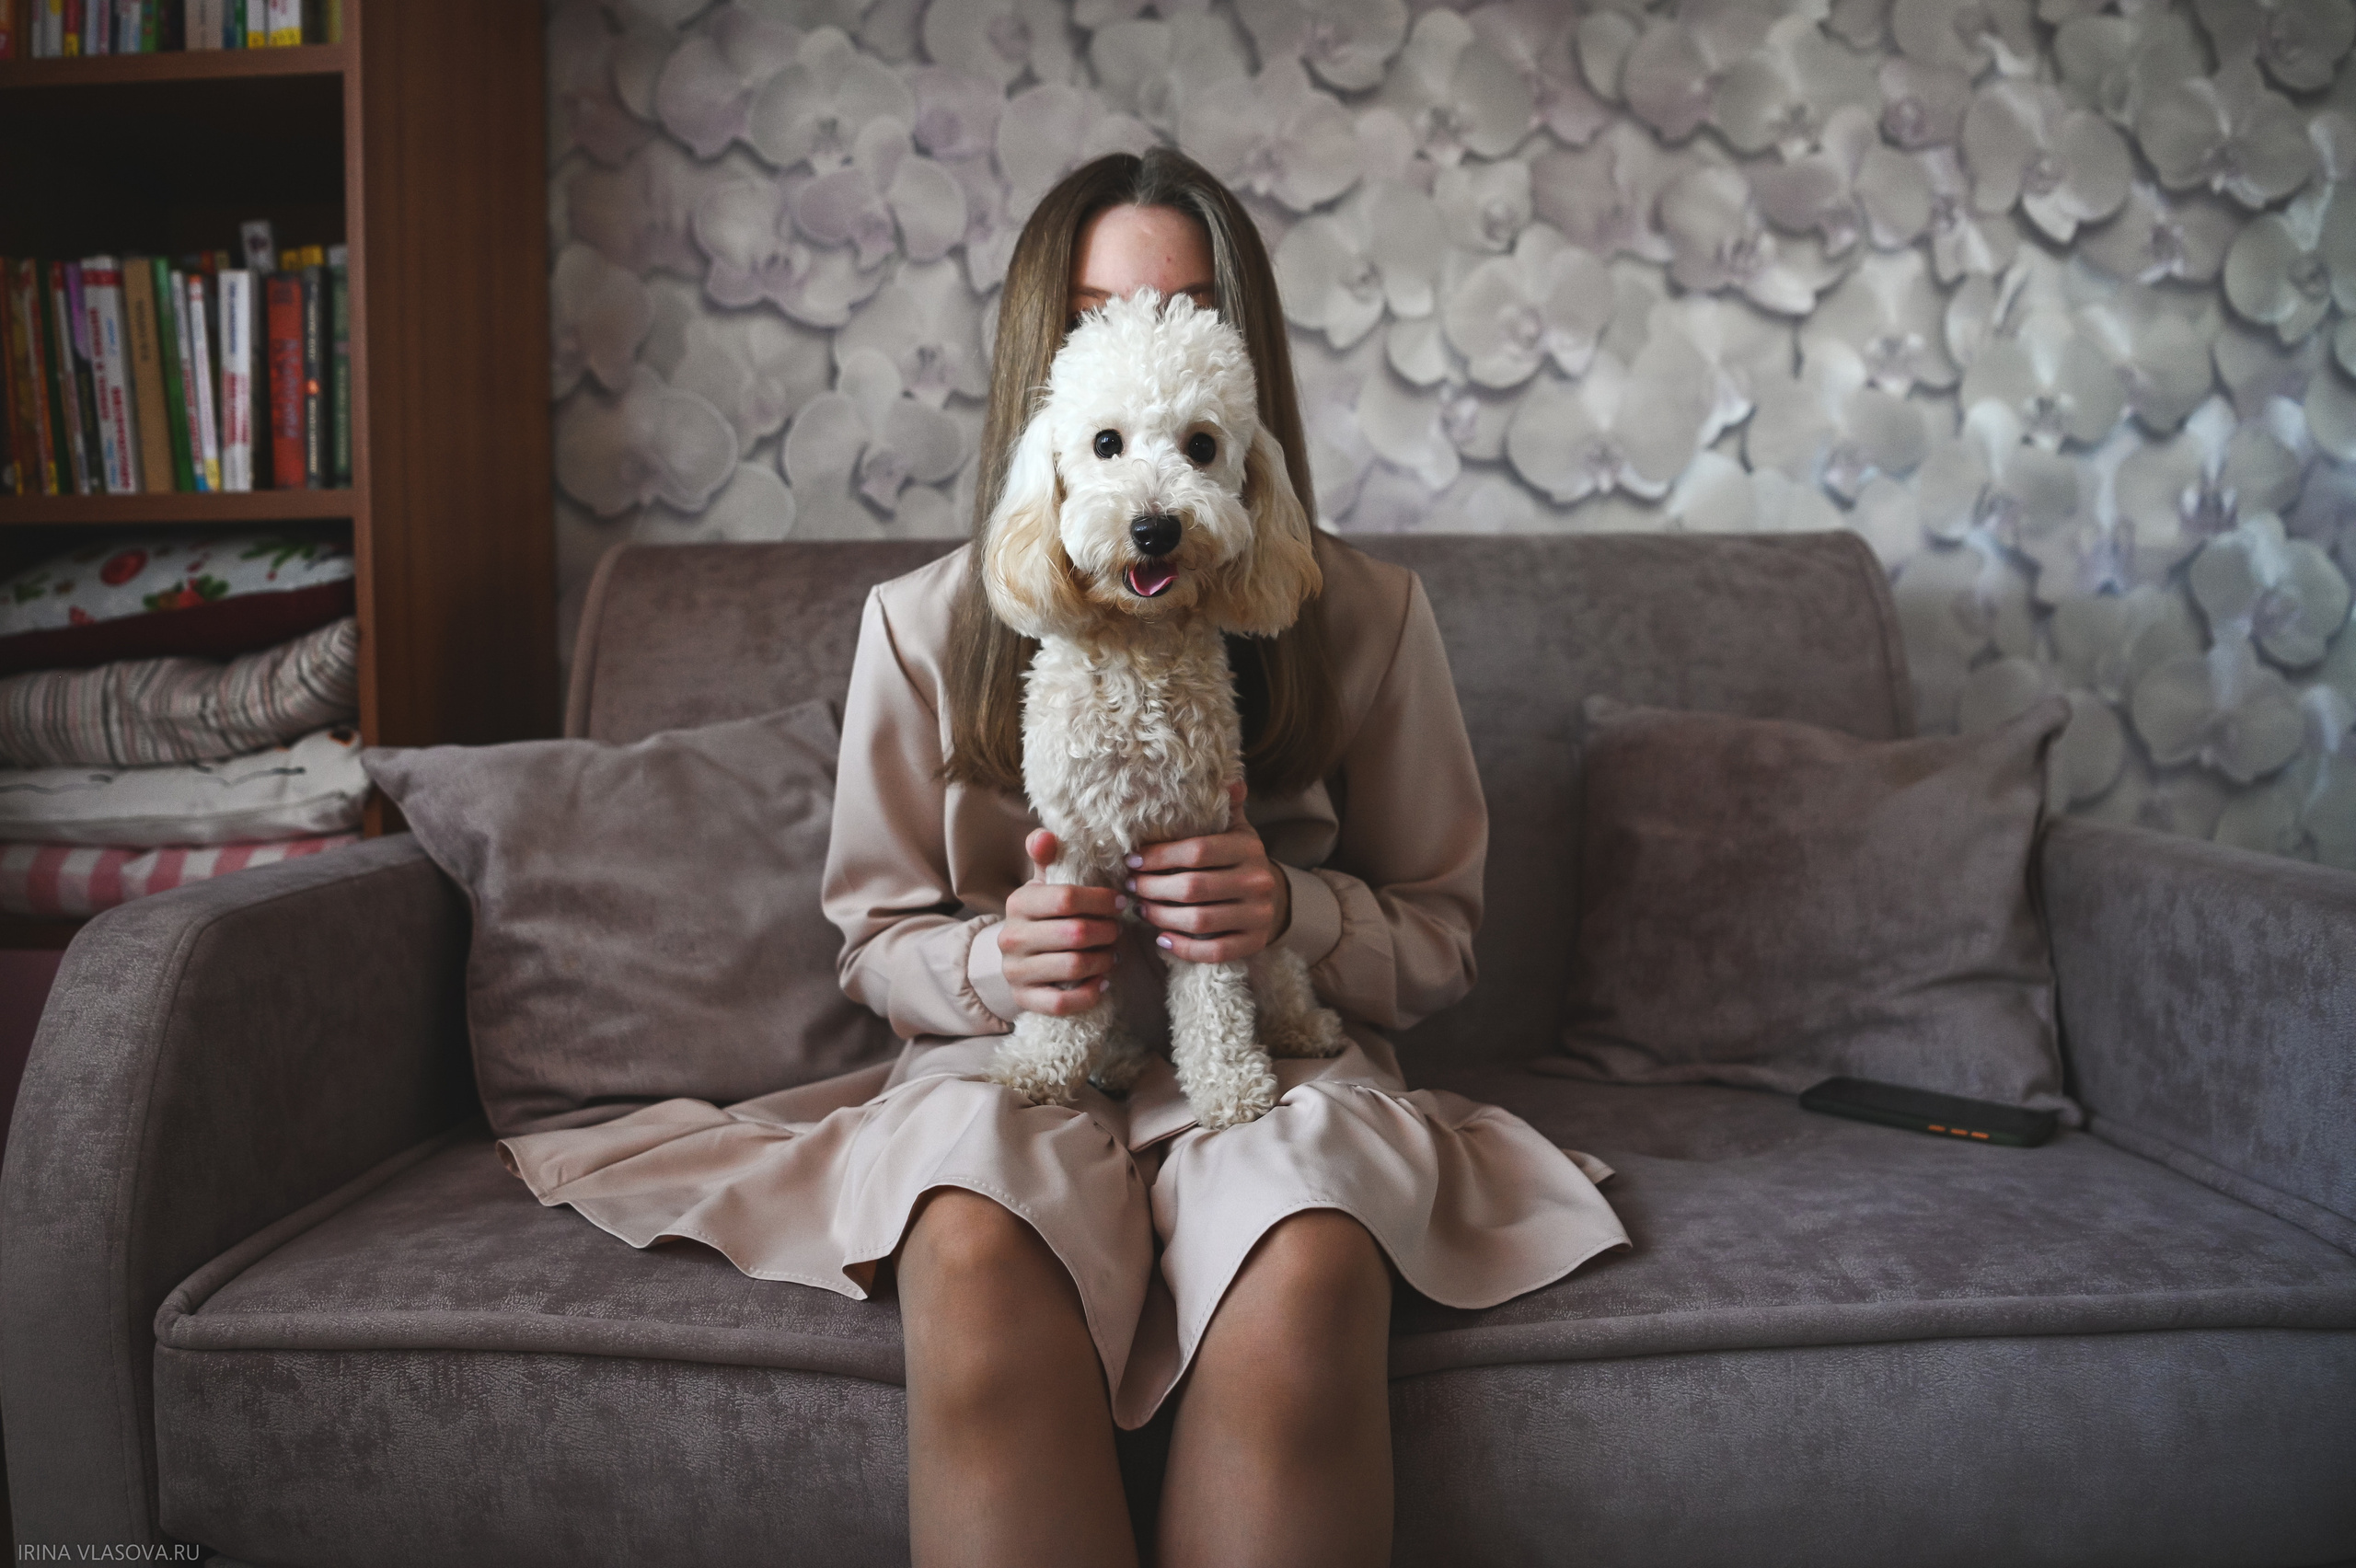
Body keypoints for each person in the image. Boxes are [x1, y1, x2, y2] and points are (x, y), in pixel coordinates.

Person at [501, 148, 1625, 1568]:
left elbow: (1442, 937)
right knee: (972, 1245)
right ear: (1048, 358)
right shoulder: (920, 624)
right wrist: (996, 957)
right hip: (1005, 1061)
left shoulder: (1371, 614)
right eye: (1099, 314)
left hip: (1272, 1057)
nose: (1141, 335)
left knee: (1305, 1257)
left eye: (1184, 309)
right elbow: (872, 940)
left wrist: (1291, 911)